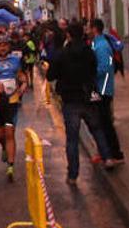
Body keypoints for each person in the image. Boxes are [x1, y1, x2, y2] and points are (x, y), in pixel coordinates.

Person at [47, 23, 113, 183]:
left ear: (68, 35)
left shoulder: (62, 54)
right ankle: (108, 157)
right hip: (88, 95)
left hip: (70, 99)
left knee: (72, 139)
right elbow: (94, 69)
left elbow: (51, 75)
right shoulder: (89, 51)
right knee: (96, 129)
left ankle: (73, 175)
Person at [0, 36, 27, 182]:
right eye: (0, 45)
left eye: (5, 45)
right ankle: (4, 148)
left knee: (10, 132)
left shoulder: (15, 60)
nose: (2, 48)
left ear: (8, 47)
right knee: (0, 134)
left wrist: (23, 86)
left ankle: (11, 166)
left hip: (12, 101)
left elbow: (21, 76)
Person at [89, 19, 125, 165]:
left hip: (103, 88)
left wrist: (89, 74)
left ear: (94, 29)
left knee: (105, 123)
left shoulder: (102, 46)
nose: (86, 30)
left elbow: (104, 67)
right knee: (101, 122)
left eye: (88, 27)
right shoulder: (97, 43)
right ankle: (105, 152)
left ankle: (115, 154)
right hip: (101, 87)